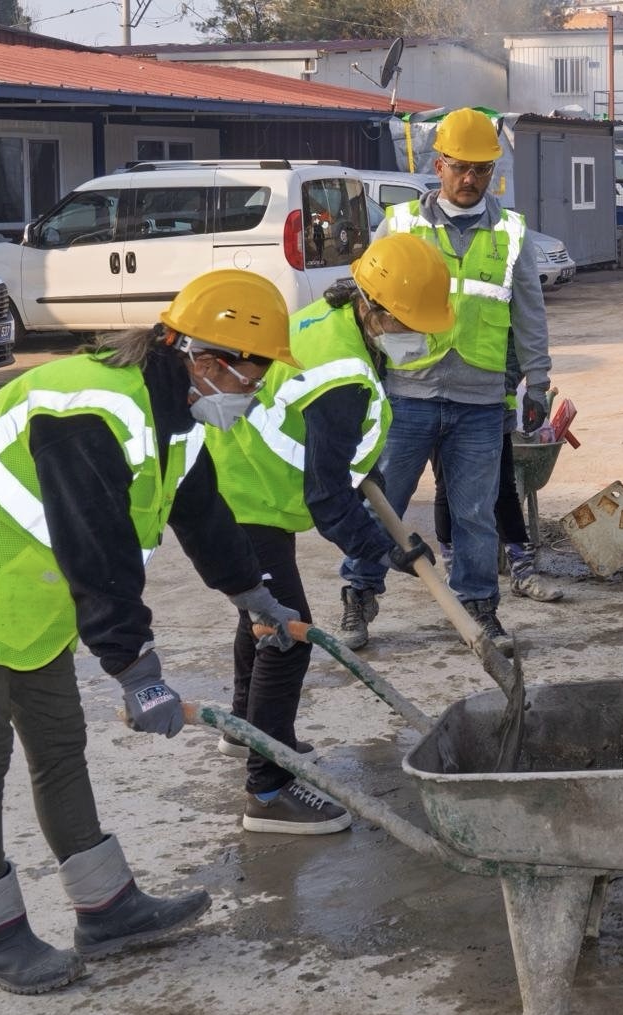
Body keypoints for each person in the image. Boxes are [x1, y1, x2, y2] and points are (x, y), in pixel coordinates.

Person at [0, 269, 304, 994]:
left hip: (21, 601)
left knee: (60, 743)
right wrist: (137, 671)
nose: (254, 393)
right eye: (254, 375)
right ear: (207, 356)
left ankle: (106, 906)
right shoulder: (90, 410)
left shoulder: (175, 413)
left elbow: (201, 513)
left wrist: (255, 594)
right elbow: (97, 552)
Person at [205, 234, 455, 833]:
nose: (417, 333)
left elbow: (330, 445)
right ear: (374, 307)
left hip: (238, 473)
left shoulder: (332, 312)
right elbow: (327, 500)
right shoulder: (344, 372)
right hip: (247, 494)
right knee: (288, 632)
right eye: (409, 321)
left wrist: (359, 470)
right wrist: (386, 550)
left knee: (260, 614)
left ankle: (250, 729)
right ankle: (268, 791)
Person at [338, 106, 552, 654]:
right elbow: (369, 301)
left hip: (480, 402)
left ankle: (478, 607)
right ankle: (360, 595)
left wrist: (539, 382)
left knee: (475, 513)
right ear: (439, 165)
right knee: (383, 504)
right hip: (408, 394)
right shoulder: (403, 222)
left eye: (481, 169)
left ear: (492, 172)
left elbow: (529, 312)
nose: (469, 179)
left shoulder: (510, 232)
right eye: (460, 167)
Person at [430, 343, 565, 603]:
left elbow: (523, 336)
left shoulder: (497, 303)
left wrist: (508, 383)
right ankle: (453, 569)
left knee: (503, 486)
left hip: (490, 403)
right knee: (446, 486)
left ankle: (522, 571)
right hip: (438, 398)